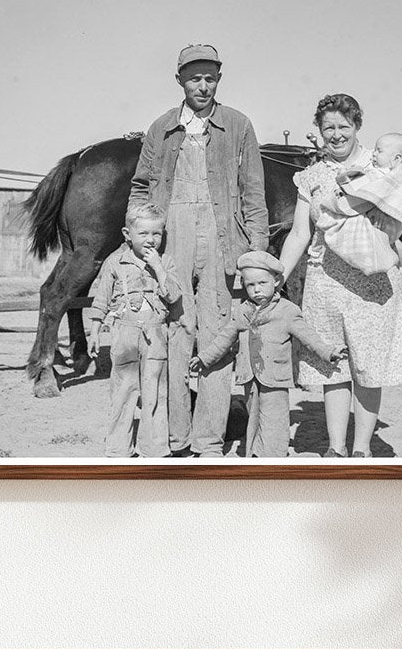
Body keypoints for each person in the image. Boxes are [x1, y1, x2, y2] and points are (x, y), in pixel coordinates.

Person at [128, 44, 269, 457]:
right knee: (175, 333)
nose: (202, 86)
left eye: (210, 78)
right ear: (180, 81)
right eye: (194, 78)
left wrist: (256, 253)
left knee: (218, 336)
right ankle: (176, 438)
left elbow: (253, 194)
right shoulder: (161, 128)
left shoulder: (238, 125)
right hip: (172, 240)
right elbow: (140, 186)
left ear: (219, 80)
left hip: (223, 238)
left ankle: (209, 441)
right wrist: (140, 242)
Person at [278, 94, 402, 458]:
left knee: (368, 367)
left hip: (372, 284)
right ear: (319, 131)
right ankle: (336, 448)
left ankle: (361, 449)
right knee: (333, 366)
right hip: (325, 281)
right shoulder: (311, 176)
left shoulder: (383, 164)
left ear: (357, 126)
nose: (336, 135)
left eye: (343, 127)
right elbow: (299, 233)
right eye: (328, 128)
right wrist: (279, 276)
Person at [189, 251, 347, 458]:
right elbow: (224, 338)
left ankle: (274, 456)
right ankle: (255, 453)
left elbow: (308, 336)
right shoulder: (242, 312)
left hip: (276, 375)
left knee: (275, 417)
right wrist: (204, 358)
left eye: (262, 283)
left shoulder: (287, 311)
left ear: (276, 281)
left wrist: (329, 351)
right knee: (253, 415)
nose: (256, 290)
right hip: (249, 375)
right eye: (250, 285)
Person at [87, 203, 181, 458]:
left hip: (155, 336)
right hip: (123, 334)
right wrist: (95, 331)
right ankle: (118, 449)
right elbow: (102, 299)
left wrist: (159, 268)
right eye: (144, 234)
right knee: (122, 392)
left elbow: (174, 297)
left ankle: (154, 448)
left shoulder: (167, 262)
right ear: (127, 235)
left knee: (155, 393)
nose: (151, 240)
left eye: (157, 234)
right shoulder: (115, 262)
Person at [317, 132, 402, 276]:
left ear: (396, 159)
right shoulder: (374, 171)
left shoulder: (396, 178)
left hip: (387, 225)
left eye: (379, 151)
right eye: (374, 150)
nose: (373, 154)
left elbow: (393, 195)